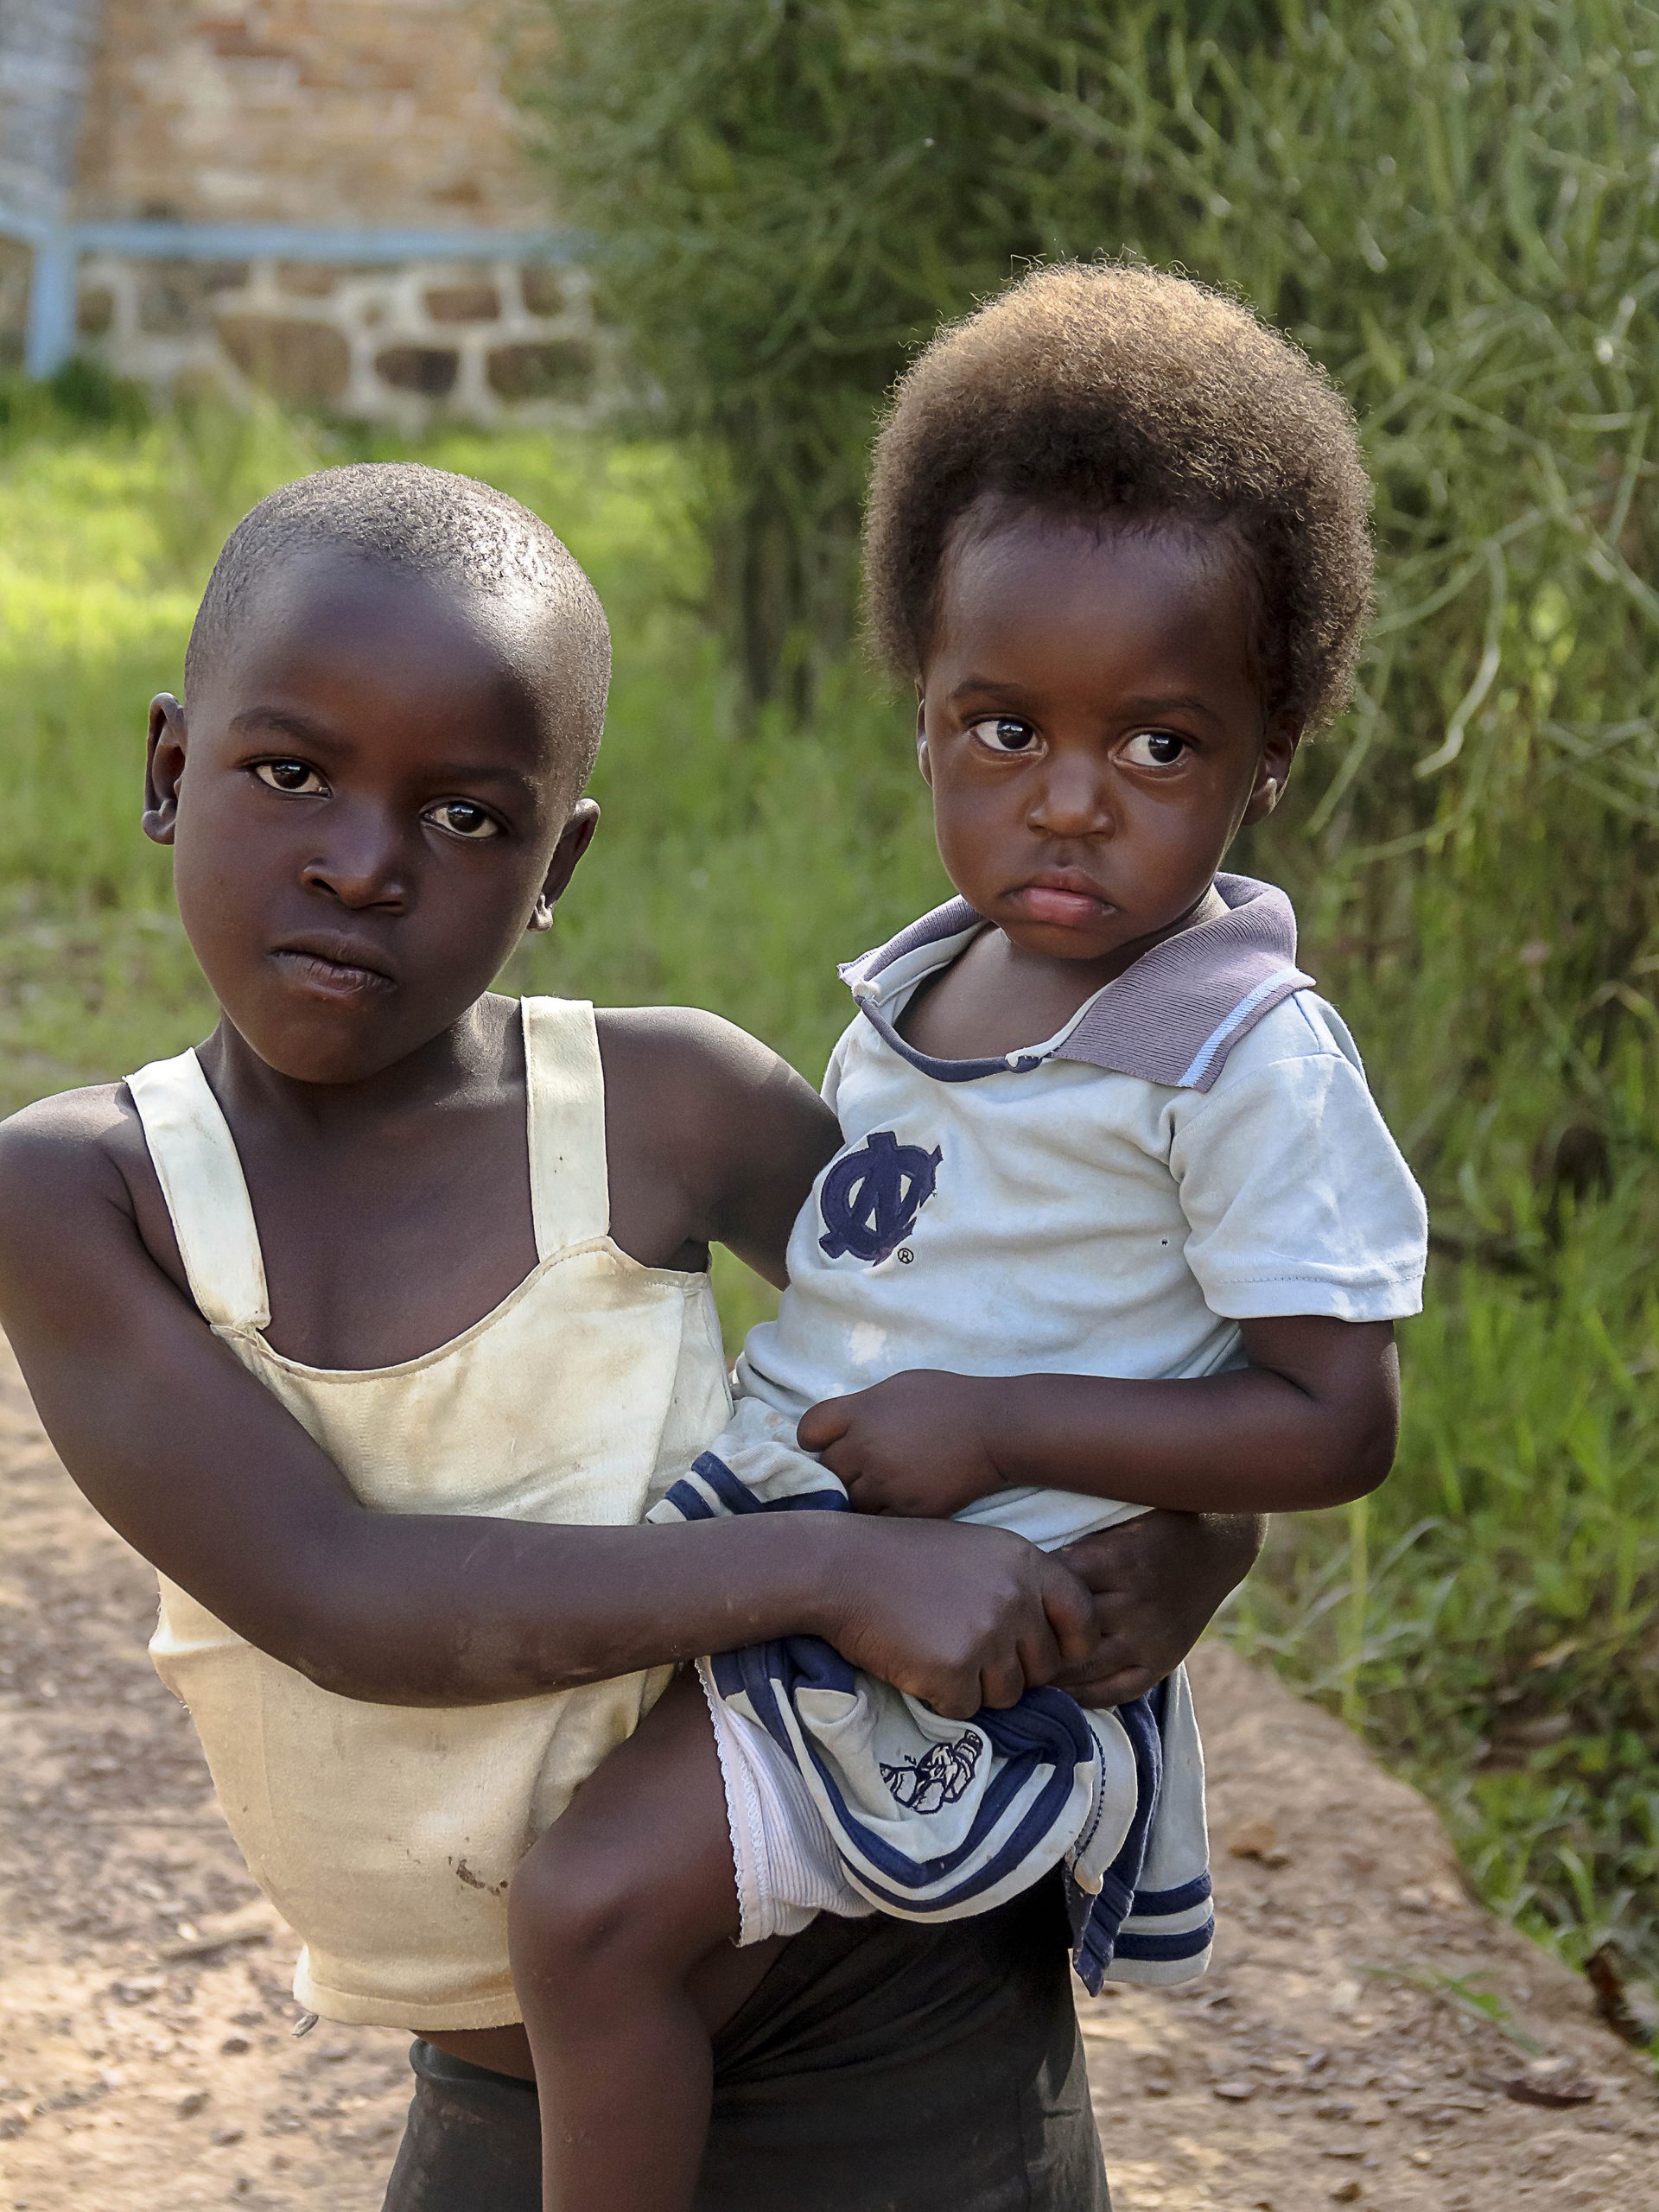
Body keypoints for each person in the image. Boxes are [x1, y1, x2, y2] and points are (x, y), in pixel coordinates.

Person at [0, 458, 1261, 2211]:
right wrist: (822, 1566)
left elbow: (1034, 1339)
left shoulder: (667, 1108)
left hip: (896, 2019)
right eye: (290, 772)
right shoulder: (90, 1196)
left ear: (555, 861)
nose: (362, 864)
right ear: (166, 769)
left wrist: (1201, 1537)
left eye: (465, 818)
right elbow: (333, 1592)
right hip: (526, 2072)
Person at [507, 261, 1431, 2212]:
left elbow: (1337, 1420)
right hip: (818, 1565)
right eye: (1005, 728)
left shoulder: (1240, 1052)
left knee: (586, 1909)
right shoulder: (920, 996)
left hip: (971, 1625)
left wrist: (999, 1424)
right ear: (921, 715)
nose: (1071, 803)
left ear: (1272, 754)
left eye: (1161, 748)